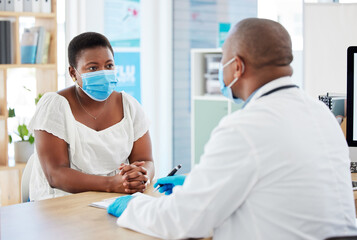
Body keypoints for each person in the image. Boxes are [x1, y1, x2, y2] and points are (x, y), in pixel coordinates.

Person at [107, 18, 357, 239]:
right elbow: (279, 183)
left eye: (222, 61)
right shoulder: (321, 113)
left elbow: (183, 222)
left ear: (237, 66)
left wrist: (133, 206)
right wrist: (196, 184)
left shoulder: (246, 126)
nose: (220, 71)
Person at [27, 32, 154, 201]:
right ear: (73, 73)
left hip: (113, 199)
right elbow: (55, 174)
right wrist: (111, 184)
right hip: (61, 202)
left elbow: (146, 160)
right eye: (93, 68)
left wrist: (141, 176)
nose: (103, 72)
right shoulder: (54, 106)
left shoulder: (129, 106)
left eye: (109, 66)